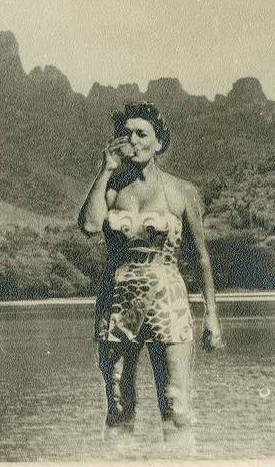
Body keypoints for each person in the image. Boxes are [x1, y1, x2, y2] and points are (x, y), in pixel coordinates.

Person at [78, 101, 224, 445]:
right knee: (117, 404)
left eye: (142, 133)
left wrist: (212, 316)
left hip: (167, 298)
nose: (134, 140)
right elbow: (88, 225)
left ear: (159, 142)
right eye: (126, 133)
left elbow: (201, 258)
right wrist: (104, 170)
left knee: (175, 404)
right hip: (116, 300)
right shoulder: (111, 187)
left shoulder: (180, 191)